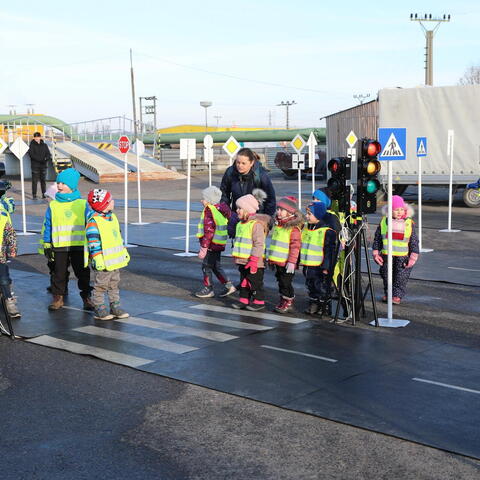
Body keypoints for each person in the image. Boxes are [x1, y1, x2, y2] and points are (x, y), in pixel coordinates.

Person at [42, 168, 93, 311]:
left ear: (72, 185)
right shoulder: (53, 205)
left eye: (63, 183)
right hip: (59, 246)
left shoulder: (83, 204)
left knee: (83, 273)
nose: (59, 186)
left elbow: (90, 224)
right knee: (59, 273)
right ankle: (58, 297)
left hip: (78, 245)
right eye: (58, 183)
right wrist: (47, 243)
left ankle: (86, 297)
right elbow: (48, 224)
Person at [86, 189, 130, 320]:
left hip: (115, 260)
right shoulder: (94, 222)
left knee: (114, 283)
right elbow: (93, 242)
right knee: (101, 285)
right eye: (110, 200)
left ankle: (115, 305)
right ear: (103, 205)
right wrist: (97, 258)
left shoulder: (112, 218)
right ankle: (99, 307)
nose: (113, 202)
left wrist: (123, 251)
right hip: (103, 261)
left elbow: (117, 237)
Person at [372, 195, 419, 305]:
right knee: (386, 274)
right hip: (387, 255)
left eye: (401, 209)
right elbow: (378, 238)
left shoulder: (408, 223)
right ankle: (388, 293)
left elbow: (414, 240)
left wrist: (413, 255)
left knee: (400, 276)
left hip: (403, 256)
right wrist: (375, 252)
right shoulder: (384, 222)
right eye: (396, 210)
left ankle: (396, 295)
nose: (399, 212)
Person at [220, 148, 276, 237]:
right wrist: (227, 214)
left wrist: (267, 220)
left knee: (256, 246)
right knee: (239, 246)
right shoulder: (230, 173)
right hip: (238, 217)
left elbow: (270, 199)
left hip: (257, 219)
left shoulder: (261, 175)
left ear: (251, 163)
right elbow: (224, 194)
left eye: (243, 163)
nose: (239, 165)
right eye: (238, 162)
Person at [231, 189, 270, 311]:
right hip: (243, 260)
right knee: (243, 281)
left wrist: (254, 259)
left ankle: (259, 300)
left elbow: (258, 244)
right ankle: (244, 299)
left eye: (240, 208)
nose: (237, 210)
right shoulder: (240, 224)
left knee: (255, 281)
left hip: (254, 261)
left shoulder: (256, 224)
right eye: (237, 208)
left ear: (248, 210)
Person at [195, 186, 236, 298]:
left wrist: (203, 248)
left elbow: (208, 231)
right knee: (215, 266)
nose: (201, 200)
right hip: (218, 243)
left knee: (206, 266)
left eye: (203, 199)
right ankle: (228, 286)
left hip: (211, 244)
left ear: (209, 201)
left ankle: (208, 288)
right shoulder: (221, 209)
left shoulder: (209, 210)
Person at [267, 196, 304, 314]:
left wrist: (292, 262)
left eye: (281, 210)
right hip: (278, 260)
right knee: (280, 280)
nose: (278, 211)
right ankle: (283, 298)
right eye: (278, 209)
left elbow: (295, 246)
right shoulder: (279, 225)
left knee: (286, 282)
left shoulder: (293, 228)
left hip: (288, 262)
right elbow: (275, 244)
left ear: (290, 212)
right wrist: (271, 258)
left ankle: (289, 299)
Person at [300, 202, 337, 316]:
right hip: (308, 264)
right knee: (311, 286)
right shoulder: (306, 228)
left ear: (318, 215)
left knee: (321, 287)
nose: (307, 216)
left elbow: (329, 252)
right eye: (307, 213)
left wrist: (326, 267)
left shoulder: (326, 231)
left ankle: (324, 305)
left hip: (319, 266)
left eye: (309, 214)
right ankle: (314, 303)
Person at [38, 183, 70, 294]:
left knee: (59, 268)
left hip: (57, 245)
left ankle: (61, 287)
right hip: (50, 245)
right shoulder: (50, 210)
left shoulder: (57, 211)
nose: (47, 199)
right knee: (52, 267)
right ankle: (55, 285)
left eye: (49, 197)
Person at [0, 185, 20, 318]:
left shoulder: (2, 213)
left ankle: (8, 300)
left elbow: (10, 232)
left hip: (0, 255)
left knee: (3, 278)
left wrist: (13, 247)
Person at [28, 132, 51, 200]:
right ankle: (34, 195)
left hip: (43, 165)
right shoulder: (31, 145)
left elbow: (48, 154)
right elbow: (32, 155)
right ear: (34, 138)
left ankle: (44, 194)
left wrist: (46, 158)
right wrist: (41, 159)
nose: (37, 138)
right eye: (35, 137)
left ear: (40, 137)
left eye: (38, 137)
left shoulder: (44, 145)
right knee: (35, 181)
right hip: (35, 166)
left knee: (43, 180)